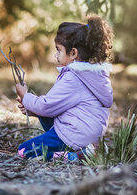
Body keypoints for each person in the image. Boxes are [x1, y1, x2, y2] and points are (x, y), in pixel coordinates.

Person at [15, 16, 113, 161]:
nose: (55, 55)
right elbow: (54, 106)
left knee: (23, 151)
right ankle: (88, 150)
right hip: (85, 133)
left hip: (75, 135)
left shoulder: (74, 78)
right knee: (43, 110)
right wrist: (32, 110)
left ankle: (75, 156)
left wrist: (25, 96)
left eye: (58, 50)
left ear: (73, 53)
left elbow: (46, 106)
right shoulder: (91, 76)